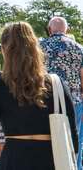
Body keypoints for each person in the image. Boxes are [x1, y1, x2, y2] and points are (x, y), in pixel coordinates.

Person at [0, 22, 79, 170]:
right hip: (50, 161)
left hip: (13, 161)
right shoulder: (57, 85)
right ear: (35, 49)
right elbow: (73, 137)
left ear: (4, 50)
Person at [39, 16, 83, 169]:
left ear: (49, 29)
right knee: (75, 142)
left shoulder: (39, 47)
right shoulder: (79, 48)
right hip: (74, 101)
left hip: (44, 100)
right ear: (67, 30)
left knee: (45, 141)